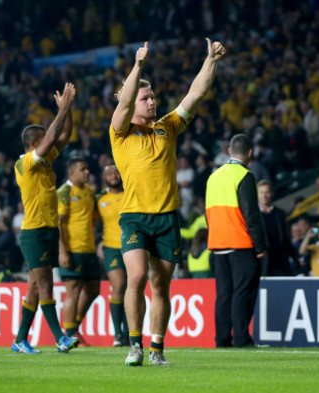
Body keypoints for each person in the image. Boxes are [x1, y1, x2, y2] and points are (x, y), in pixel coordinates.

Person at [111, 38, 226, 366]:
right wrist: (138, 66)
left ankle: (156, 349)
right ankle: (134, 345)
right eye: (146, 97)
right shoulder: (119, 132)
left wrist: (211, 60)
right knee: (136, 278)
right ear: (134, 103)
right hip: (134, 217)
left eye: (153, 96)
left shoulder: (168, 128)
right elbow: (123, 105)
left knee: (161, 286)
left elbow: (196, 93)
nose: (152, 101)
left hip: (166, 219)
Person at [12, 83, 79, 354]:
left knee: (34, 289)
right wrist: (61, 109)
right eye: (44, 139)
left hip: (49, 230)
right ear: (33, 144)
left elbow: (63, 134)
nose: (49, 142)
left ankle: (20, 339)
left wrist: (68, 109)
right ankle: (60, 338)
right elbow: (54, 135)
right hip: (35, 231)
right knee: (45, 285)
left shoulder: (46, 158)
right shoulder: (25, 163)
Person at [205, 133, 267, 347]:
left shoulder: (213, 176)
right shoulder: (244, 176)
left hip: (218, 244)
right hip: (240, 244)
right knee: (242, 292)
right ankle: (241, 338)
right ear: (250, 153)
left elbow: (208, 214)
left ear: (230, 151)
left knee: (223, 295)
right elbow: (251, 214)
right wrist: (260, 246)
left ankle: (222, 340)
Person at [57, 157, 101, 345]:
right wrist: (62, 251)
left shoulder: (90, 193)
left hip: (88, 249)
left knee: (93, 290)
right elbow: (58, 224)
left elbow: (93, 219)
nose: (87, 172)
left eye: (88, 169)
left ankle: (74, 326)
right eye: (83, 169)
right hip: (72, 250)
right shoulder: (64, 192)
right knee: (73, 291)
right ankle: (70, 334)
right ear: (72, 173)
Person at [96, 164, 129, 346]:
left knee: (131, 288)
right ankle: (117, 333)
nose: (113, 175)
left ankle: (128, 333)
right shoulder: (99, 198)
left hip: (131, 246)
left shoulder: (130, 192)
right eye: (109, 172)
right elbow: (91, 221)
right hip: (110, 247)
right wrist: (97, 242)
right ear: (104, 177)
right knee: (119, 285)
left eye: (116, 171)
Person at [257, 180, 298, 276]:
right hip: (262, 264)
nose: (264, 196)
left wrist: (295, 257)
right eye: (261, 192)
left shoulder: (280, 213)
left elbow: (285, 238)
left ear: (272, 193)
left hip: (280, 262)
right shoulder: (253, 215)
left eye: (267, 192)